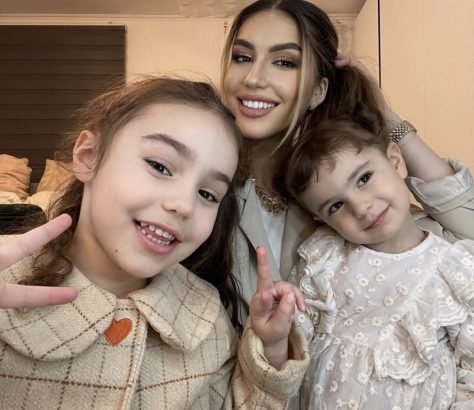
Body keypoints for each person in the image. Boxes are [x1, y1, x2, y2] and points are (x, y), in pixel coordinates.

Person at [0, 76, 310, 409]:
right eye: (160, 166)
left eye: (208, 194)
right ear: (88, 155)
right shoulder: (8, 284)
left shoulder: (204, 314)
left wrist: (272, 347)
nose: (184, 205)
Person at [220, 0, 474, 320]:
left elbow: (467, 229)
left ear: (318, 91)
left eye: (284, 62)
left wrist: (385, 113)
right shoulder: (209, 191)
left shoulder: (342, 189)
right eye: (242, 57)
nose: (253, 78)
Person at [284, 117, 474, 409]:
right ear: (321, 219)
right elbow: (293, 344)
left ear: (395, 160)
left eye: (363, 179)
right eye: (336, 205)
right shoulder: (324, 259)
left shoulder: (453, 269)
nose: (361, 208)